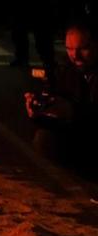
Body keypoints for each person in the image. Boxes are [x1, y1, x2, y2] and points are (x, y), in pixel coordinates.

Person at [27, 21, 97, 173]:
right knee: (44, 138)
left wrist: (72, 111)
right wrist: (39, 111)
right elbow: (58, 105)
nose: (75, 56)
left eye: (83, 49)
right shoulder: (67, 70)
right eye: (69, 49)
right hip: (82, 131)